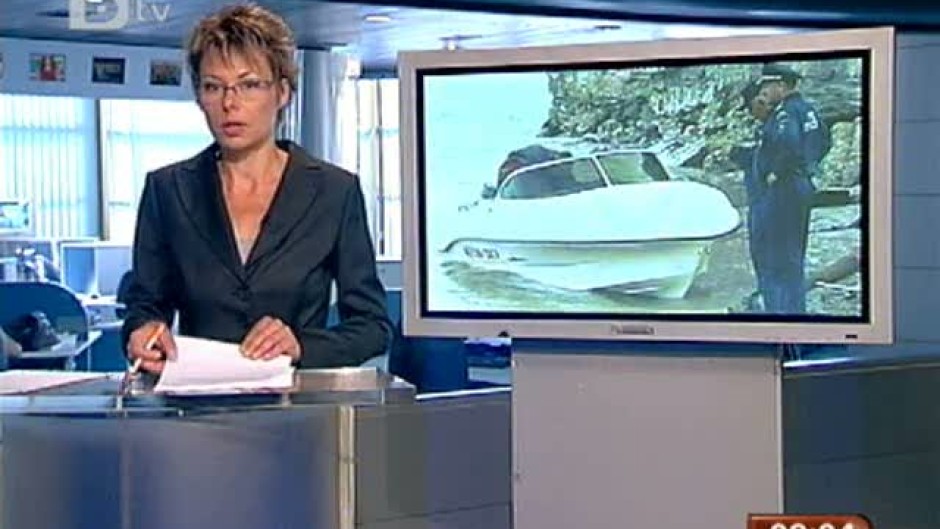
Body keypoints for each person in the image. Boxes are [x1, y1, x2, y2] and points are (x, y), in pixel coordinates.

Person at [122, 4, 391, 373]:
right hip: (195, 399)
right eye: (213, 87)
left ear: (282, 92)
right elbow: (145, 306)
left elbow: (372, 327)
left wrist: (301, 346)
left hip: (297, 401)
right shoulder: (167, 191)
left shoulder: (334, 192)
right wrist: (142, 331)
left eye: (248, 85)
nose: (229, 103)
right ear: (199, 97)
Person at [751, 63, 831, 313]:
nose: (764, 92)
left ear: (781, 85)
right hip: (801, 185)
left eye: (767, 86)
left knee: (774, 255)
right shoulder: (808, 110)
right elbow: (824, 141)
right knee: (794, 254)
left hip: (783, 190)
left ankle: (779, 312)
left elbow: (789, 143)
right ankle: (795, 310)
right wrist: (809, 166)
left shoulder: (785, 113)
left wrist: (775, 173)